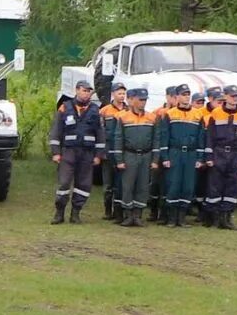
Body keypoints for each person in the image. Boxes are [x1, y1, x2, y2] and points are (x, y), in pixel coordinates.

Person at [51, 80, 100, 224]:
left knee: (84, 185)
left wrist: (98, 155)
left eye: (89, 91)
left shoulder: (95, 110)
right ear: (77, 90)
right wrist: (55, 152)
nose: (87, 94)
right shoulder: (65, 108)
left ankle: (76, 213)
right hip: (68, 152)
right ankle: (59, 213)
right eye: (84, 90)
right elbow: (56, 131)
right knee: (64, 183)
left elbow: (100, 133)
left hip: (87, 153)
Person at [157, 83, 206, 227]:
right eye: (183, 94)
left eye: (188, 94)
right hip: (175, 153)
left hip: (190, 154)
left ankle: (182, 218)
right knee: (174, 184)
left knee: (188, 186)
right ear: (177, 96)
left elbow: (201, 138)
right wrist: (165, 157)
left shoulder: (198, 115)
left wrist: (200, 158)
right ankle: (172, 218)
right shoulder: (170, 114)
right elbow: (164, 136)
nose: (186, 97)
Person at [204, 85, 237, 230]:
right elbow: (209, 137)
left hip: (235, 154)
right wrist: (209, 156)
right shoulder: (216, 113)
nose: (234, 98)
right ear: (225, 96)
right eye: (231, 96)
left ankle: (227, 218)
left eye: (236, 96)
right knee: (215, 187)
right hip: (219, 153)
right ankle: (214, 217)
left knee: (232, 187)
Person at [112, 85, 158, 226]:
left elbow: (156, 139)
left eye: (144, 100)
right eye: (140, 99)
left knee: (143, 186)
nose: (143, 102)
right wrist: (119, 160)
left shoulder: (152, 117)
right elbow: (118, 139)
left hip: (146, 156)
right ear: (133, 100)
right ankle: (128, 215)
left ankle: (138, 215)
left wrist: (155, 159)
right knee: (128, 186)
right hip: (129, 155)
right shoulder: (124, 117)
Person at [101, 82, 131, 222]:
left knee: (121, 183)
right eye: (119, 93)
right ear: (112, 94)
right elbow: (100, 132)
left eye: (123, 94)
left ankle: (119, 210)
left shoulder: (129, 110)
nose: (122, 96)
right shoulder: (104, 111)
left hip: (122, 151)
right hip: (108, 150)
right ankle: (108, 210)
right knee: (108, 184)